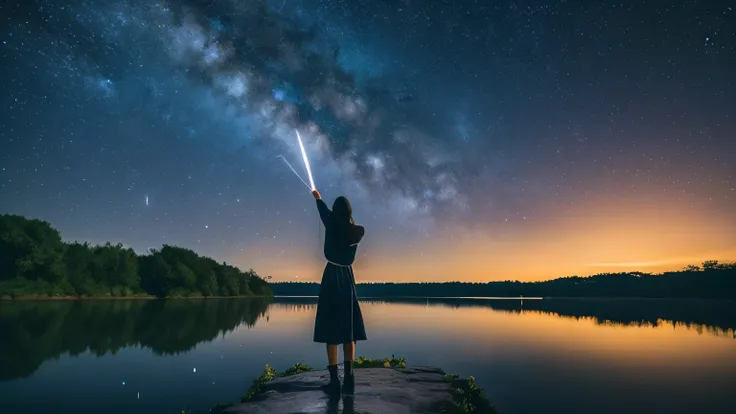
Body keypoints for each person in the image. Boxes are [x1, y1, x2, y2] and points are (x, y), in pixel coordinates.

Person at [311, 189, 367, 396]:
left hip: (332, 275)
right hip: (347, 278)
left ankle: (335, 381)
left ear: (335, 211)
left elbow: (324, 212)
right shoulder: (358, 231)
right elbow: (340, 222)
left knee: (331, 327)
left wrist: (318, 198)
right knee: (348, 329)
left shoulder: (332, 222)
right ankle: (349, 378)